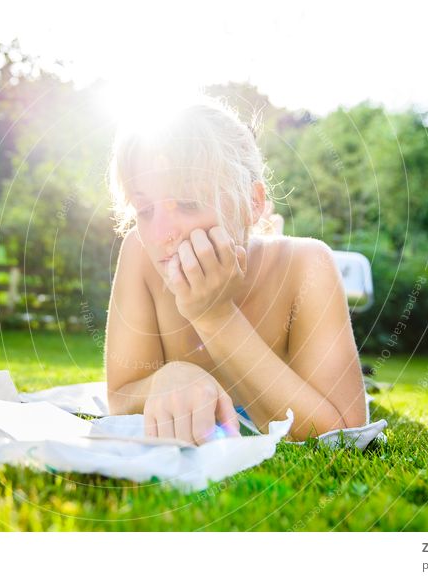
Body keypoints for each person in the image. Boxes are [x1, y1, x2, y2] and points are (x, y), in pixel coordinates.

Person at [104, 95, 366, 445]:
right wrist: (168, 378)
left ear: (253, 202)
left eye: (189, 203)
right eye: (145, 208)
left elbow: (343, 431)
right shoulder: (139, 251)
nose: (161, 234)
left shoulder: (307, 265)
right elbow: (120, 396)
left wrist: (215, 316)